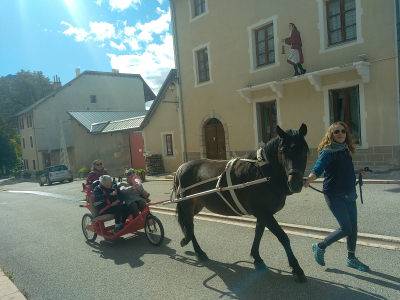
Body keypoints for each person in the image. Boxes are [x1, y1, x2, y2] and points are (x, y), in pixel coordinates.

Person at [303, 121, 369, 272]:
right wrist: (309, 179)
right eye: (336, 132)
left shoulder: (345, 149)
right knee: (346, 228)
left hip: (349, 192)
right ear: (331, 135)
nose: (340, 134)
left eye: (343, 131)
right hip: (334, 194)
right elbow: (318, 169)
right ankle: (320, 246)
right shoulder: (328, 152)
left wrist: (358, 171)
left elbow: (345, 171)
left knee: (353, 227)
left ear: (346, 134)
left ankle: (351, 259)